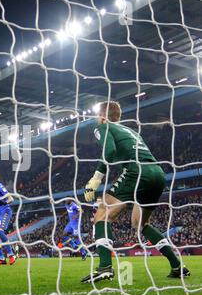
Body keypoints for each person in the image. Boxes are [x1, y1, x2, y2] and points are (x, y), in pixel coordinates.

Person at [81, 101, 190, 283]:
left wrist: (96, 178)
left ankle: (105, 267)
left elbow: (109, 150)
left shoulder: (102, 127)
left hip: (136, 172)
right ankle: (177, 266)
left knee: (102, 214)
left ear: (101, 116)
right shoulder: (131, 131)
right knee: (140, 224)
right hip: (157, 174)